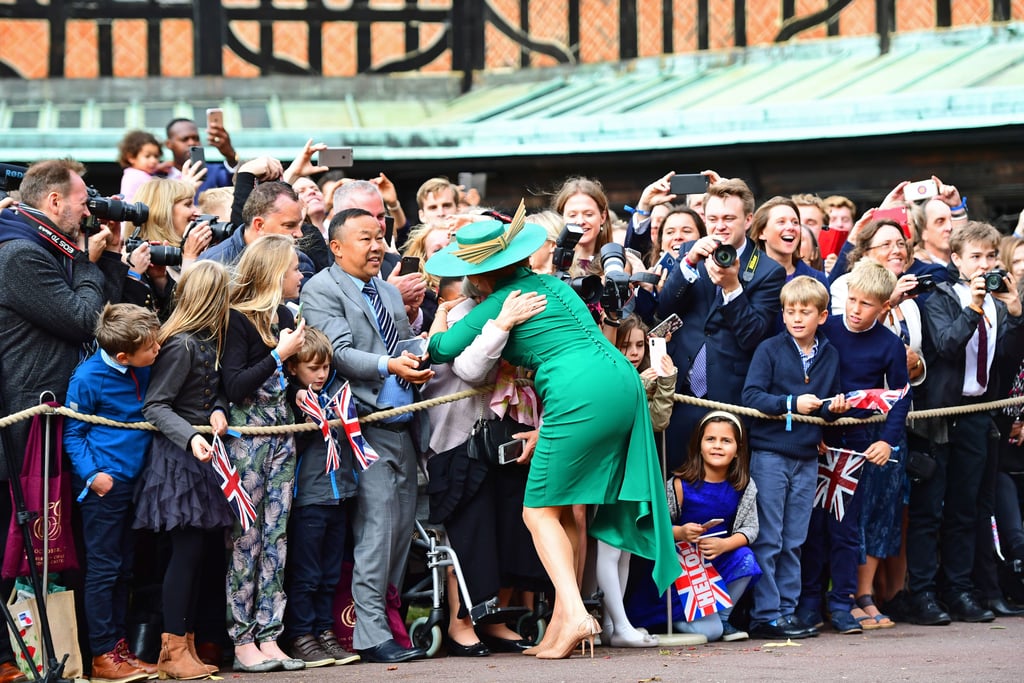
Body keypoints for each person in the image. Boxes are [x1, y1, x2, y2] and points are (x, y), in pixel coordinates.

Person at [426, 216, 678, 660]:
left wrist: (444, 315)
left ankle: (577, 612)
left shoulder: (500, 300)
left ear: (479, 272)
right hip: (621, 382)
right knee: (562, 508)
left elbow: (442, 350)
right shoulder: (553, 284)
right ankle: (563, 621)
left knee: (538, 511)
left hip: (577, 393)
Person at [0, 159, 131, 683]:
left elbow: (113, 322)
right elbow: (85, 320)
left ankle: (70, 650)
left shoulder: (49, 250)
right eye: (81, 200)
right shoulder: (20, 255)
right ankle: (8, 658)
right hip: (25, 426)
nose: (88, 209)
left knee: (61, 544)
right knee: (13, 539)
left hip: (63, 420)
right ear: (53, 202)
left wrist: (110, 257)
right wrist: (84, 259)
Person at [300, 207, 432, 664]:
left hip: (403, 423)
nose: (377, 246)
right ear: (335, 247)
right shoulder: (319, 288)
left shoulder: (388, 292)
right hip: (361, 427)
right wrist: (388, 366)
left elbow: (399, 347)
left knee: (400, 533)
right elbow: (336, 353)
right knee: (377, 530)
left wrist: (416, 361)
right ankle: (370, 634)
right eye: (365, 239)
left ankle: (389, 622)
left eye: (379, 237)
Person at [906, 222, 1022, 625]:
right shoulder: (940, 297)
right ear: (956, 260)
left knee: (966, 509)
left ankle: (960, 590)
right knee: (929, 511)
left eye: (991, 256)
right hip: (940, 416)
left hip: (977, 414)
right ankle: (921, 593)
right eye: (975, 256)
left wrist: (1014, 311)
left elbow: (1007, 362)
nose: (985, 264)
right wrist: (972, 306)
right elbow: (948, 346)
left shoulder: (998, 301)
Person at [422, 281, 546, 657]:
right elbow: (472, 371)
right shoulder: (460, 315)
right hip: (459, 442)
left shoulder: (518, 305)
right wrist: (502, 323)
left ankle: (493, 619)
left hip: (508, 436)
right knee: (470, 533)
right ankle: (461, 623)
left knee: (510, 528)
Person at [133, 261, 234, 681]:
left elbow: (214, 392)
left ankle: (186, 643)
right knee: (185, 554)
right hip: (178, 461)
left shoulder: (206, 341)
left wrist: (217, 410)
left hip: (201, 458)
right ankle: (172, 649)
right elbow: (156, 405)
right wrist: (189, 436)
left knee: (197, 556)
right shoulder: (181, 345)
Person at [799, 260, 911, 634]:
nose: (856, 310)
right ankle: (811, 603)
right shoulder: (826, 328)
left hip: (861, 442)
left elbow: (899, 398)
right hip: (819, 435)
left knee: (848, 529)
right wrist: (815, 425)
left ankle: (844, 601)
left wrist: (885, 440)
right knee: (814, 527)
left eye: (866, 305)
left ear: (884, 308)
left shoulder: (891, 345)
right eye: (852, 300)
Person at [741, 276, 847, 639]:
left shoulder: (830, 354)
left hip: (806, 456)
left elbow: (826, 406)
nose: (797, 318)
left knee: (794, 538)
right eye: (790, 311)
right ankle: (766, 615)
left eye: (806, 312)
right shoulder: (769, 349)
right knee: (769, 537)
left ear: (822, 315)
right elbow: (751, 397)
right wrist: (790, 404)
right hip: (770, 454)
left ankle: (787, 611)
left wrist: (835, 408)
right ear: (782, 314)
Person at [220, 235, 307, 672]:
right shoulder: (237, 319)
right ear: (274, 272)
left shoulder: (288, 314)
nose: (300, 274)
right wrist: (280, 355)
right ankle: (241, 639)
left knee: (277, 535)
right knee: (246, 538)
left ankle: (270, 633)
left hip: (283, 434)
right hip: (247, 438)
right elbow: (234, 384)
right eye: (294, 268)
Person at [658, 178, 786, 469]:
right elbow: (664, 309)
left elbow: (752, 337)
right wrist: (688, 263)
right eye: (713, 218)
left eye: (729, 218)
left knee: (723, 488)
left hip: (729, 397)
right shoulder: (689, 251)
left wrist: (732, 289)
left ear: (749, 219)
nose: (720, 226)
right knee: (673, 479)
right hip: (680, 390)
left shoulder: (768, 270)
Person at [65, 304, 162, 682]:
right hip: (106, 488)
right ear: (123, 356)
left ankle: (120, 648)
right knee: (104, 570)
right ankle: (102, 653)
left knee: (125, 569)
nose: (157, 350)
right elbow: (72, 434)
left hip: (136, 482)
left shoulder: (144, 361)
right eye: (150, 348)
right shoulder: (89, 378)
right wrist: (94, 476)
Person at [281, 328, 361, 667]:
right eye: (313, 368)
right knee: (307, 573)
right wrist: (299, 395)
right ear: (294, 368)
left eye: (325, 367)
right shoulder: (293, 398)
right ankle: (301, 634)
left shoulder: (339, 392)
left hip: (340, 496)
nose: (321, 374)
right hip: (309, 499)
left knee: (330, 572)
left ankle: (325, 630)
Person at [599, 316, 676, 647]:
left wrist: (666, 380)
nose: (632, 352)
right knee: (609, 545)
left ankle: (614, 626)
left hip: (637, 467)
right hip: (610, 466)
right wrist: (637, 383)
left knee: (625, 547)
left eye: (639, 346)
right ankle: (617, 624)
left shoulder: (646, 375)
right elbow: (611, 413)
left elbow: (659, 420)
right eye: (625, 345)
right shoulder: (609, 373)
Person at [665, 411, 762, 642]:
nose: (717, 446)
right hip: (683, 571)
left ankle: (724, 617)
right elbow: (655, 528)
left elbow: (751, 529)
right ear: (698, 444)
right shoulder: (678, 485)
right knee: (711, 633)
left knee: (746, 557)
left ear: (738, 449)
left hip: (717, 560)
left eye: (726, 441)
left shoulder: (744, 485)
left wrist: (725, 544)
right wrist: (679, 532)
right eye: (710, 439)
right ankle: (687, 619)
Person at [164, 117, 239, 196]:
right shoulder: (158, 176)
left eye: (196, 138)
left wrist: (231, 156)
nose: (192, 142)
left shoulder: (214, 172)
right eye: (184, 139)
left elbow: (234, 183)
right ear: (169, 144)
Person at [117, 129, 166, 202]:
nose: (153, 161)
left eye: (156, 156)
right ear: (131, 157)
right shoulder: (138, 176)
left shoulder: (131, 173)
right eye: (147, 156)